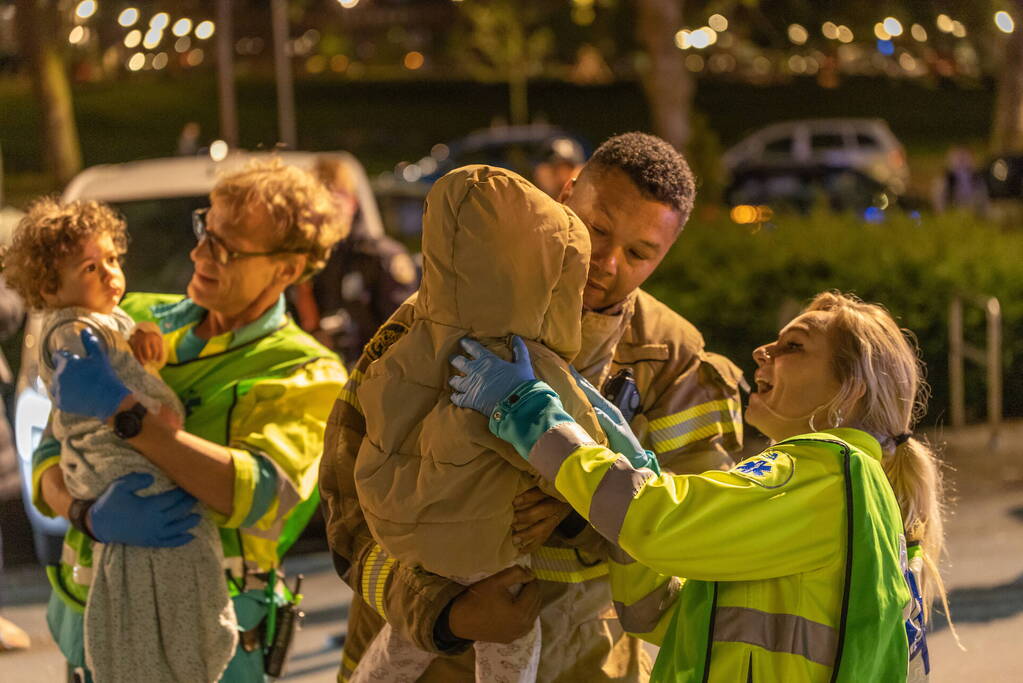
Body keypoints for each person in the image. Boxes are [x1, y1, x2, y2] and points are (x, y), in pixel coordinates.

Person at [319, 133, 746, 681]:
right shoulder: (441, 315)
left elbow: (693, 534)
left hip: (579, 662)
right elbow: (346, 490)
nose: (607, 262)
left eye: (640, 253)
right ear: (566, 195)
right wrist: (443, 613)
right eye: (598, 229)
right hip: (420, 660)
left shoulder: (673, 358)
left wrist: (584, 510)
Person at [448, 291, 946, 682]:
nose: (762, 350)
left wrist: (524, 409)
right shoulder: (851, 493)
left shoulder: (827, 476)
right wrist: (638, 467)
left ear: (850, 389)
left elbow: (659, 525)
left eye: (793, 347)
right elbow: (661, 613)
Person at [31, 158, 349, 682]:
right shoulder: (130, 318)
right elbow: (53, 446)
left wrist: (126, 413)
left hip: (205, 645)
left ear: (286, 269)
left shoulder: (305, 371)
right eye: (205, 230)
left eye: (227, 247)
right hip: (90, 624)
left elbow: (259, 495)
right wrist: (86, 513)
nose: (200, 253)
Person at [348, 165, 606, 683]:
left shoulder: (410, 336)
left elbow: (372, 411)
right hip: (484, 541)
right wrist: (563, 494)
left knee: (400, 645)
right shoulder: (522, 361)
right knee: (512, 638)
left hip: (400, 528)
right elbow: (587, 452)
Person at [2, 198, 237, 681]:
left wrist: (146, 337)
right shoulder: (70, 330)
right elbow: (97, 397)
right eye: (91, 266)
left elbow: (128, 351)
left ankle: (173, 653)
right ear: (51, 286)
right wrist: (146, 409)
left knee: (156, 579)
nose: (111, 274)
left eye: (112, 259)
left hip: (131, 476)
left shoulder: (109, 318)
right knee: (145, 583)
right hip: (117, 467)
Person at [290, 155, 418, 364]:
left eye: (336, 195)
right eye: (319, 197)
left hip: (371, 377)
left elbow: (406, 335)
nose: (327, 206)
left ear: (353, 201)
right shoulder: (305, 259)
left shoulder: (382, 257)